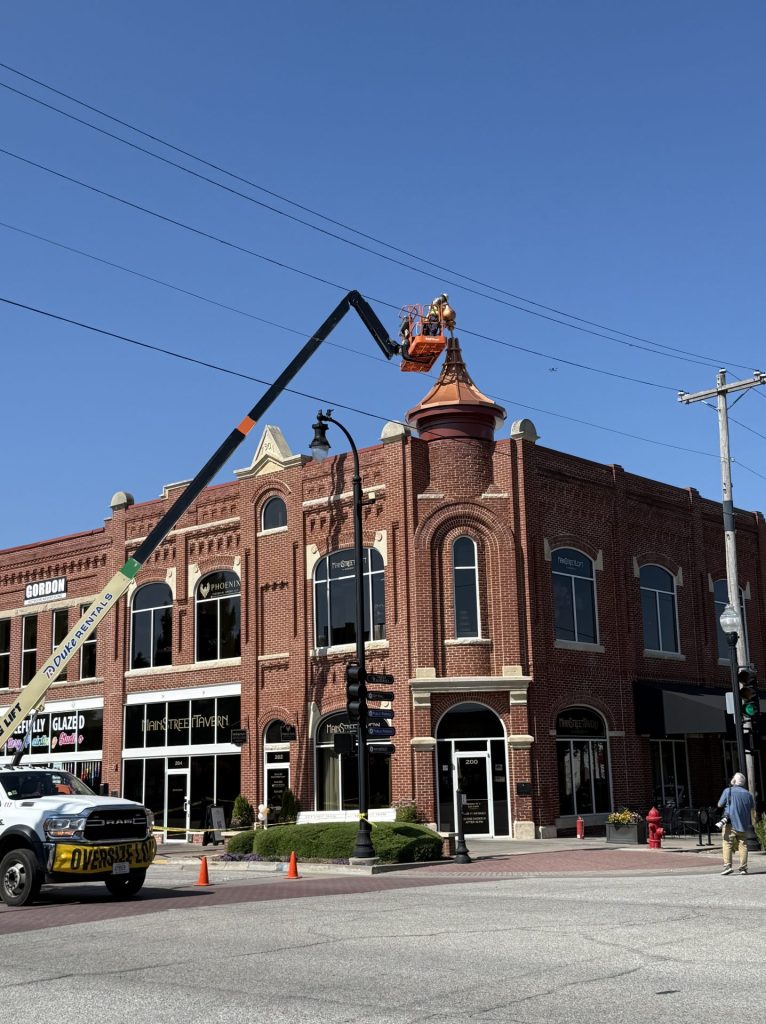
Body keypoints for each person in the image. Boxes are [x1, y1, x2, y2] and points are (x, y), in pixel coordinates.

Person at [717, 772, 755, 875]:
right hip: (743, 824)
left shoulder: (728, 791)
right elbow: (751, 807)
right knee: (743, 845)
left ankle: (727, 866)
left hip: (730, 822)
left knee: (727, 843)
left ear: (733, 781)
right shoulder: (748, 794)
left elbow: (720, 804)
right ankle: (743, 868)